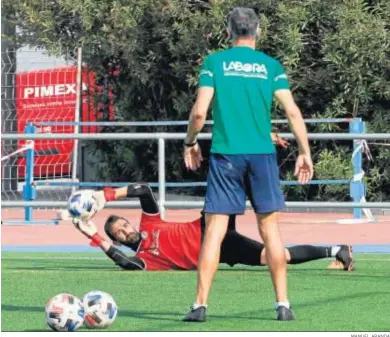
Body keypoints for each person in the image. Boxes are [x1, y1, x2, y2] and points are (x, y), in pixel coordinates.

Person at [183, 7, 313, 321]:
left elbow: (199, 113)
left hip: (226, 155)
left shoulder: (215, 62)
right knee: (270, 230)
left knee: (215, 230)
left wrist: (189, 143)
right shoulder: (271, 66)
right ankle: (283, 304)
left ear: (229, 31)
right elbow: (292, 112)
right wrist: (304, 151)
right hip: (262, 156)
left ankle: (200, 306)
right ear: (257, 32)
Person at [70, 183, 353, 274]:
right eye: (118, 233)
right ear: (116, 240)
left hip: (209, 226)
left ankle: (255, 161)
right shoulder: (146, 259)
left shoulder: (149, 222)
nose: (124, 231)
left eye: (123, 224)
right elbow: (125, 263)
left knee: (223, 187)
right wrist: (91, 234)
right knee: (275, 257)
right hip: (218, 250)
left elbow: (143, 189)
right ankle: (337, 249)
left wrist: (105, 195)